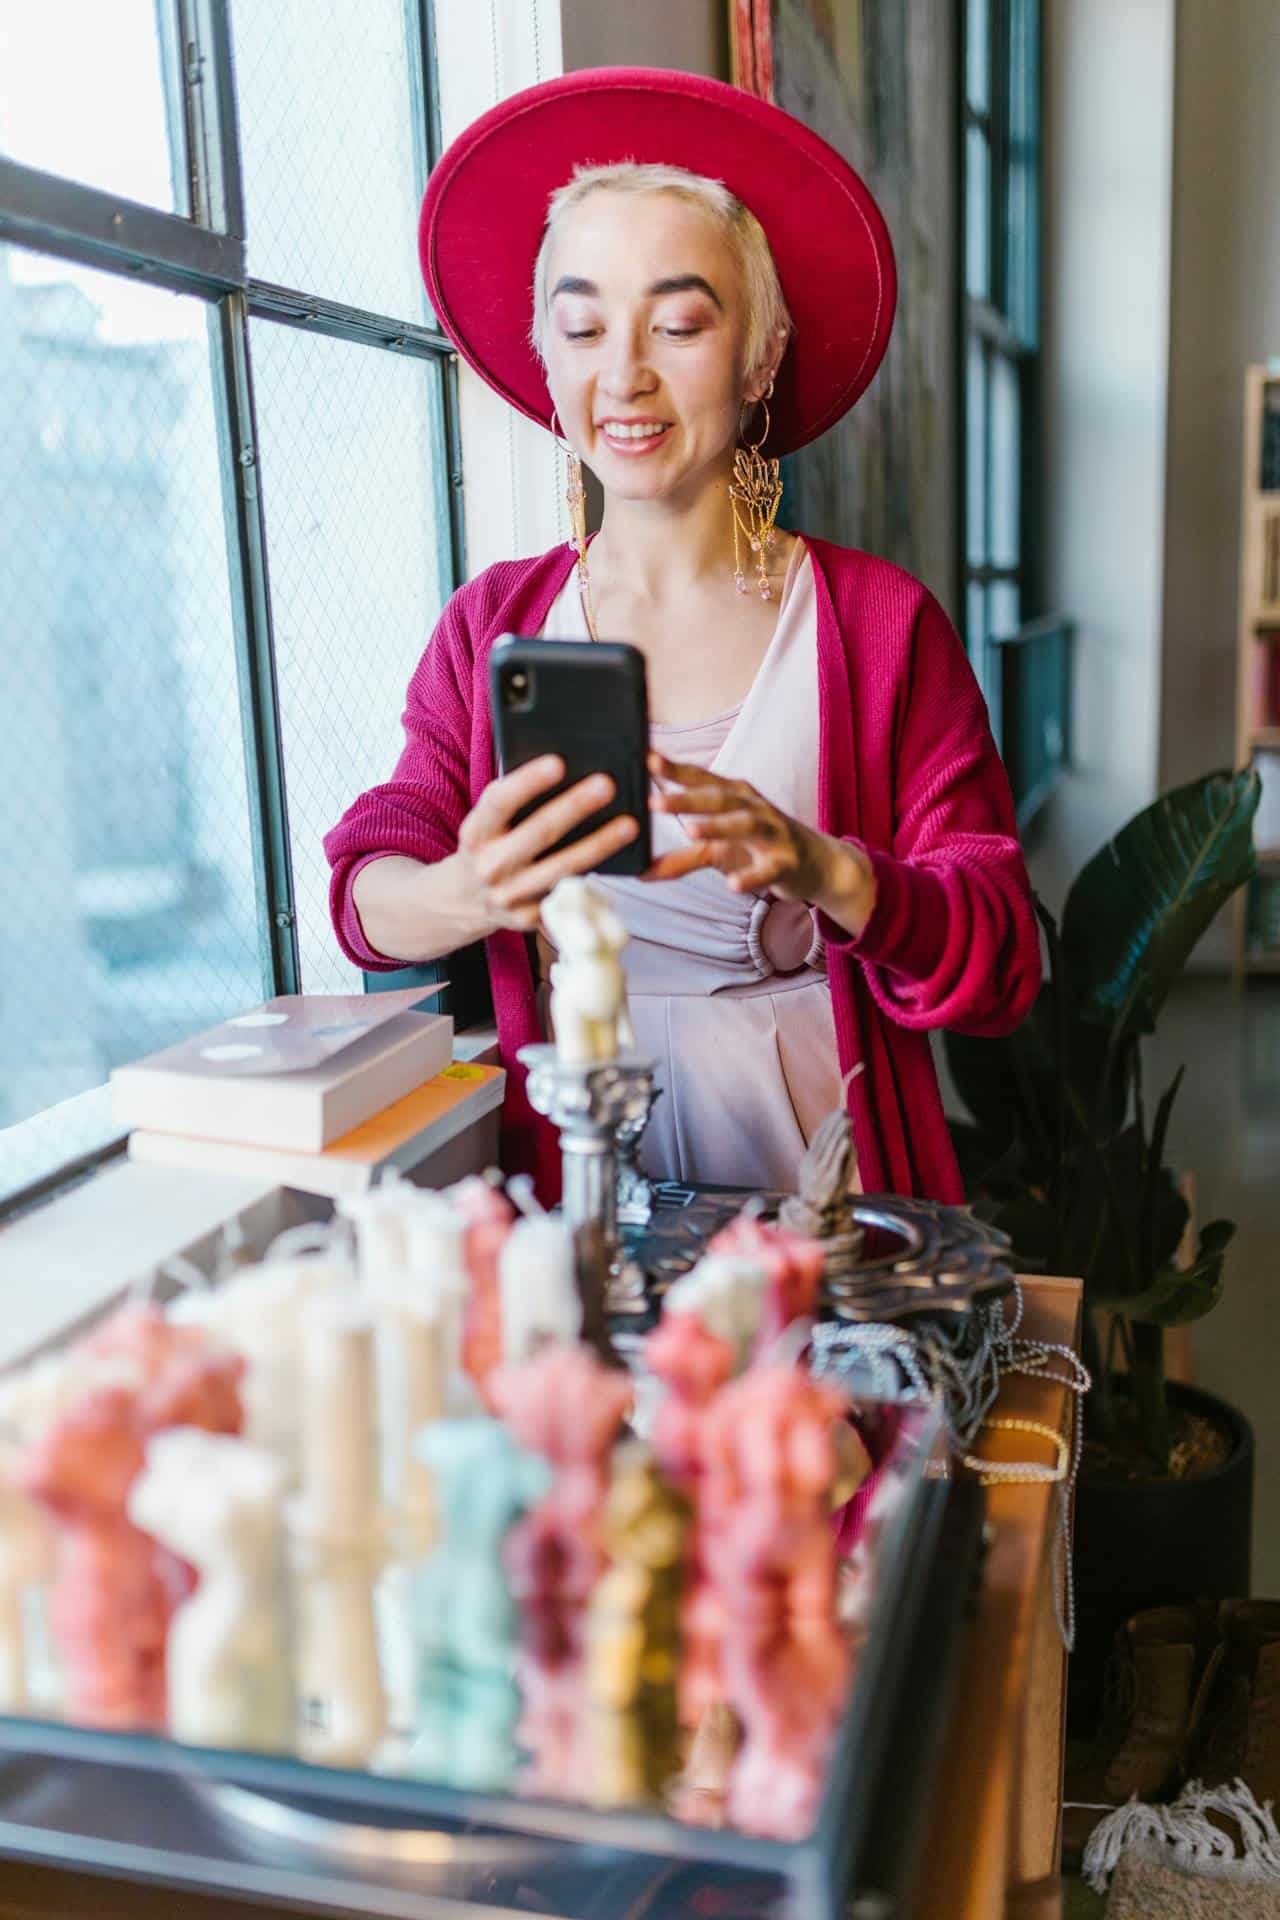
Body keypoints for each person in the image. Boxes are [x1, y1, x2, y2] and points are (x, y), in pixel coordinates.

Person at [324, 67, 1040, 1206]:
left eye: (678, 323)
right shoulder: (489, 628)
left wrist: (826, 871)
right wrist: (472, 888)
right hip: (587, 1186)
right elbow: (368, 884)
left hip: (827, 1180)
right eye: (582, 325)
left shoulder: (876, 625)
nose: (626, 372)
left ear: (759, 358)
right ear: (546, 366)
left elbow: (1000, 956)